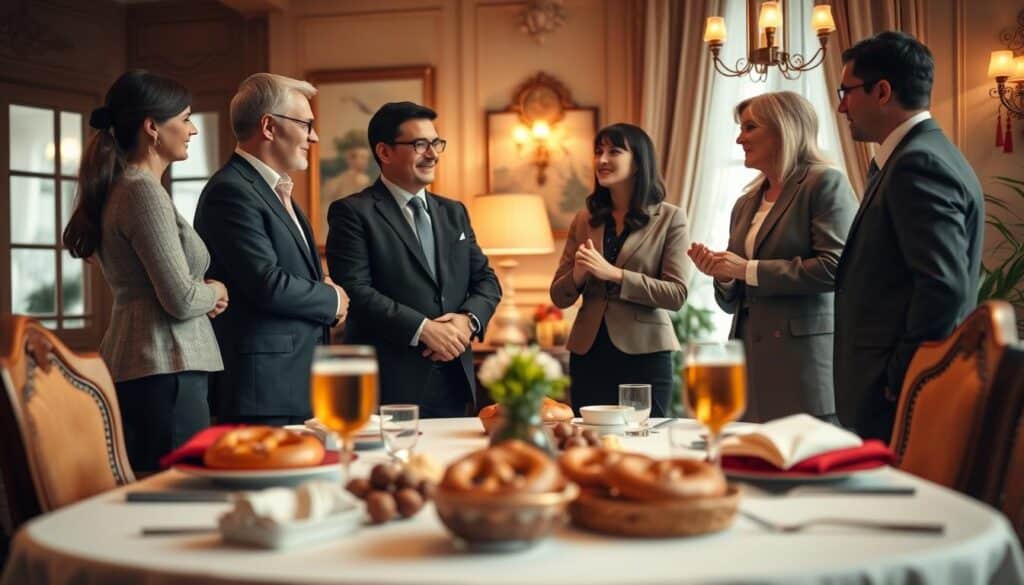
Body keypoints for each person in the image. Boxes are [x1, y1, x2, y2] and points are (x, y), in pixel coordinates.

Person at [62, 70, 229, 472]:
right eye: (185, 118)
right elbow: (180, 298)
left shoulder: (129, 186)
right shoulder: (141, 191)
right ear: (153, 127)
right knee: (177, 493)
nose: (192, 129)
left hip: (153, 365)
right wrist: (216, 291)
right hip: (165, 364)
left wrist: (197, 292)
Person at [833, 31, 983, 441]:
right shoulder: (912, 156)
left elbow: (943, 287)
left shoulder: (918, 163)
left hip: (895, 394)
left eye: (846, 91)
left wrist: (901, 376)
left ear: (882, 91)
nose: (841, 105)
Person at [689, 92, 857, 424]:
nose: (740, 138)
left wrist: (747, 269)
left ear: (784, 129)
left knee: (807, 471)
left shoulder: (825, 183)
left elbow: (835, 269)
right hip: (750, 365)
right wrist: (723, 274)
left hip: (804, 366)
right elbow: (734, 299)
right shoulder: (745, 202)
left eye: (750, 127)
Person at [326, 101, 501, 418]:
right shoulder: (352, 212)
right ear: (385, 152)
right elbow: (356, 290)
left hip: (454, 379)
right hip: (390, 385)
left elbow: (486, 281)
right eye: (420, 144)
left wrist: (466, 321)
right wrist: (423, 329)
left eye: (436, 143)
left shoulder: (454, 212)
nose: (432, 154)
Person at [194, 73, 349, 425]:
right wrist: (334, 299)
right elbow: (266, 284)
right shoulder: (231, 191)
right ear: (269, 126)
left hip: (294, 383)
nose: (315, 136)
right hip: (261, 390)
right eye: (307, 124)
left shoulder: (274, 189)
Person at [550, 123, 688, 417]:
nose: (602, 160)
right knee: (591, 445)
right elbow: (559, 297)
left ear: (638, 161)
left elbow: (676, 294)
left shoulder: (670, 218)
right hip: (588, 353)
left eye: (614, 151)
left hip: (646, 354)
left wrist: (615, 274)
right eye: (598, 151)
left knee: (648, 443)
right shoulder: (584, 219)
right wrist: (578, 274)